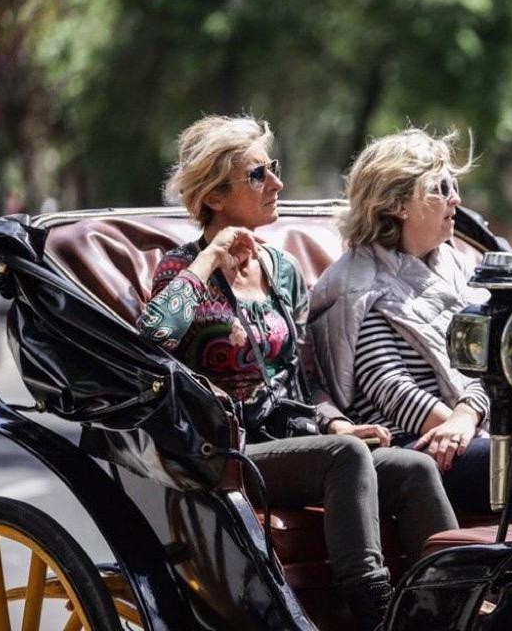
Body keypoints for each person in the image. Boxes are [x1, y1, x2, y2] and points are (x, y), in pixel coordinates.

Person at [137, 115, 457, 631]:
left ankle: (451, 610)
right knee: (346, 457)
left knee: (411, 468)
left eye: (274, 168)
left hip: (295, 440)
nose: (277, 184)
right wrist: (210, 260)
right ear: (215, 197)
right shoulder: (180, 269)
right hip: (223, 451)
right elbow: (152, 337)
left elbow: (304, 378)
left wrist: (335, 423)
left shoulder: (281, 269)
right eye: (259, 175)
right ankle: (373, 616)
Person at [308, 128, 512, 523]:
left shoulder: (460, 268)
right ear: (398, 204)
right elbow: (390, 386)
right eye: (440, 187)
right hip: (408, 445)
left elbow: (489, 365)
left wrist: (467, 417)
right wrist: (457, 427)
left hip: (467, 430)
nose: (456, 199)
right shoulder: (353, 286)